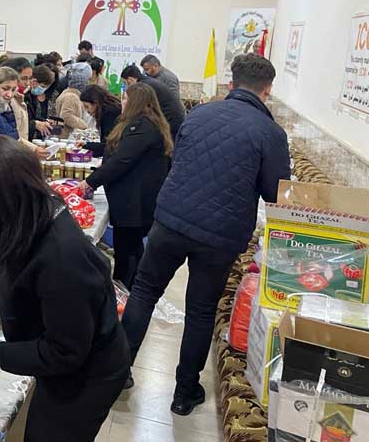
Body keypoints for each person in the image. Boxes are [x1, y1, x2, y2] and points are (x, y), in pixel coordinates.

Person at [121, 54, 290, 414]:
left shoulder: (199, 114)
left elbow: (180, 160)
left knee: (144, 291)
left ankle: (117, 372)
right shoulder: (270, 132)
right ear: (268, 90)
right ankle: (184, 393)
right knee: (200, 311)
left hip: (170, 219)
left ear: (231, 83)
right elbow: (276, 193)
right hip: (220, 235)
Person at [0, 136, 130, 442]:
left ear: (11, 191)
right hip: (66, 367)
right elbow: (20, 262)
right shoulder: (34, 210)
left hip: (88, 376)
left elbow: (64, 352)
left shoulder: (63, 260)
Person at [83, 84, 172, 289]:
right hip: (133, 199)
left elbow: (122, 159)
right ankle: (126, 287)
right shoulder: (141, 124)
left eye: (125, 99)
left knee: (128, 250)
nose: (121, 102)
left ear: (135, 102)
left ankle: (126, 290)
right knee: (128, 248)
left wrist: (90, 182)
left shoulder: (144, 126)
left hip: (135, 203)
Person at [120, 65, 185, 139]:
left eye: (125, 83)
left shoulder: (143, 87)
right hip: (173, 119)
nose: (127, 86)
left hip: (170, 121)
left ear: (130, 79)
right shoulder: (148, 81)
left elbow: (139, 109)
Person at [80, 84, 122, 157]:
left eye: (87, 106)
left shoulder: (109, 113)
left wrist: (86, 146)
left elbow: (107, 146)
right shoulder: (109, 109)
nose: (87, 111)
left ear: (96, 103)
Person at [54, 62, 93, 139]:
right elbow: (66, 116)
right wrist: (84, 125)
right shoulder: (71, 97)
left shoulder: (70, 94)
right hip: (66, 136)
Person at [24, 64, 56, 136]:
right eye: (42, 86)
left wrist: (44, 121)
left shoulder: (32, 96)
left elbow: (33, 116)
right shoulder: (24, 95)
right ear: (34, 81)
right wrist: (34, 124)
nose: (43, 90)